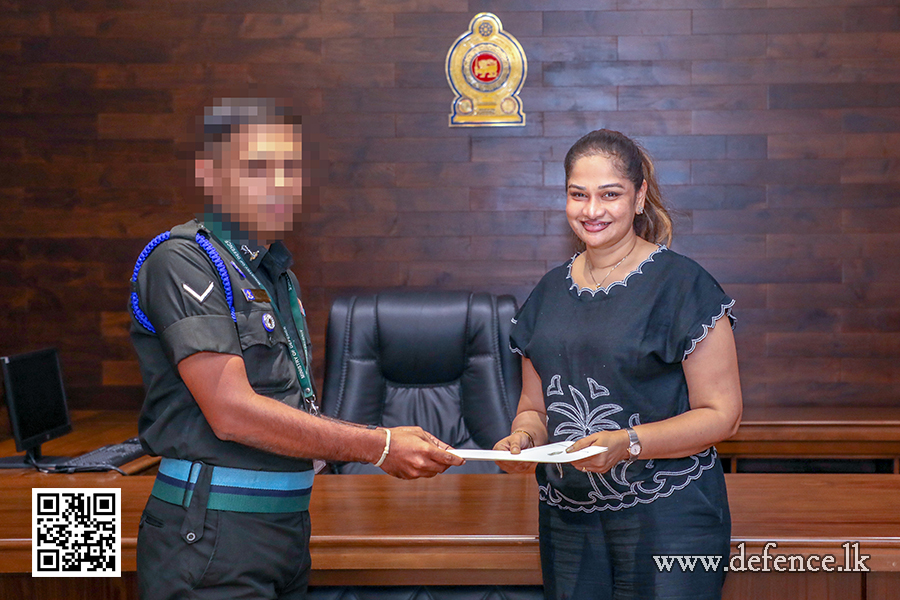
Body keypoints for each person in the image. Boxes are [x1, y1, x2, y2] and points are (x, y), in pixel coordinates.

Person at [129, 97, 463, 600]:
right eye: (258, 168)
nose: (280, 184)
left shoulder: (274, 275)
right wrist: (380, 445)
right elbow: (231, 413)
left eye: (289, 169)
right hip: (215, 536)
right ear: (209, 173)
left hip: (285, 531)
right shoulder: (183, 259)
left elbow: (287, 402)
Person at [493, 129, 742, 600]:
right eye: (577, 195)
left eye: (610, 194)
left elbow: (723, 415)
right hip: (568, 521)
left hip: (672, 519)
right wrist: (523, 440)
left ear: (640, 195)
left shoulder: (684, 285)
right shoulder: (546, 293)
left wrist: (627, 443)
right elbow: (536, 408)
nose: (592, 210)